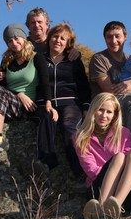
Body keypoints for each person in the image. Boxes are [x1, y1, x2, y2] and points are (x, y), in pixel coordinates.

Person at [0, 23, 57, 163]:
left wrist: (49, 103)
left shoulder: (36, 57)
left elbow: (45, 81)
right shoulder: (7, 60)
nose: (14, 43)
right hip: (6, 102)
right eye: (9, 41)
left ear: (24, 38)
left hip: (25, 106)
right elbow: (1, 87)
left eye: (16, 38)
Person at [73, 92, 131, 219]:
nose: (104, 115)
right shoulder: (80, 137)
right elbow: (91, 170)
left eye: (109, 112)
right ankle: (100, 207)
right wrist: (113, 169)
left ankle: (115, 206)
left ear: (115, 115)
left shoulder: (124, 132)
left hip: (125, 189)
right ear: (93, 110)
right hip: (98, 187)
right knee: (119, 157)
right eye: (100, 110)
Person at [35, 23, 91, 179]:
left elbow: (83, 85)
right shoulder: (39, 58)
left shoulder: (73, 59)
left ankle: (81, 174)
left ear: (68, 43)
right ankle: (46, 160)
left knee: (68, 126)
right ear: (49, 38)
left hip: (70, 102)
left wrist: (86, 106)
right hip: (44, 101)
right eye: (55, 36)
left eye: (62, 38)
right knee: (45, 118)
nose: (58, 40)